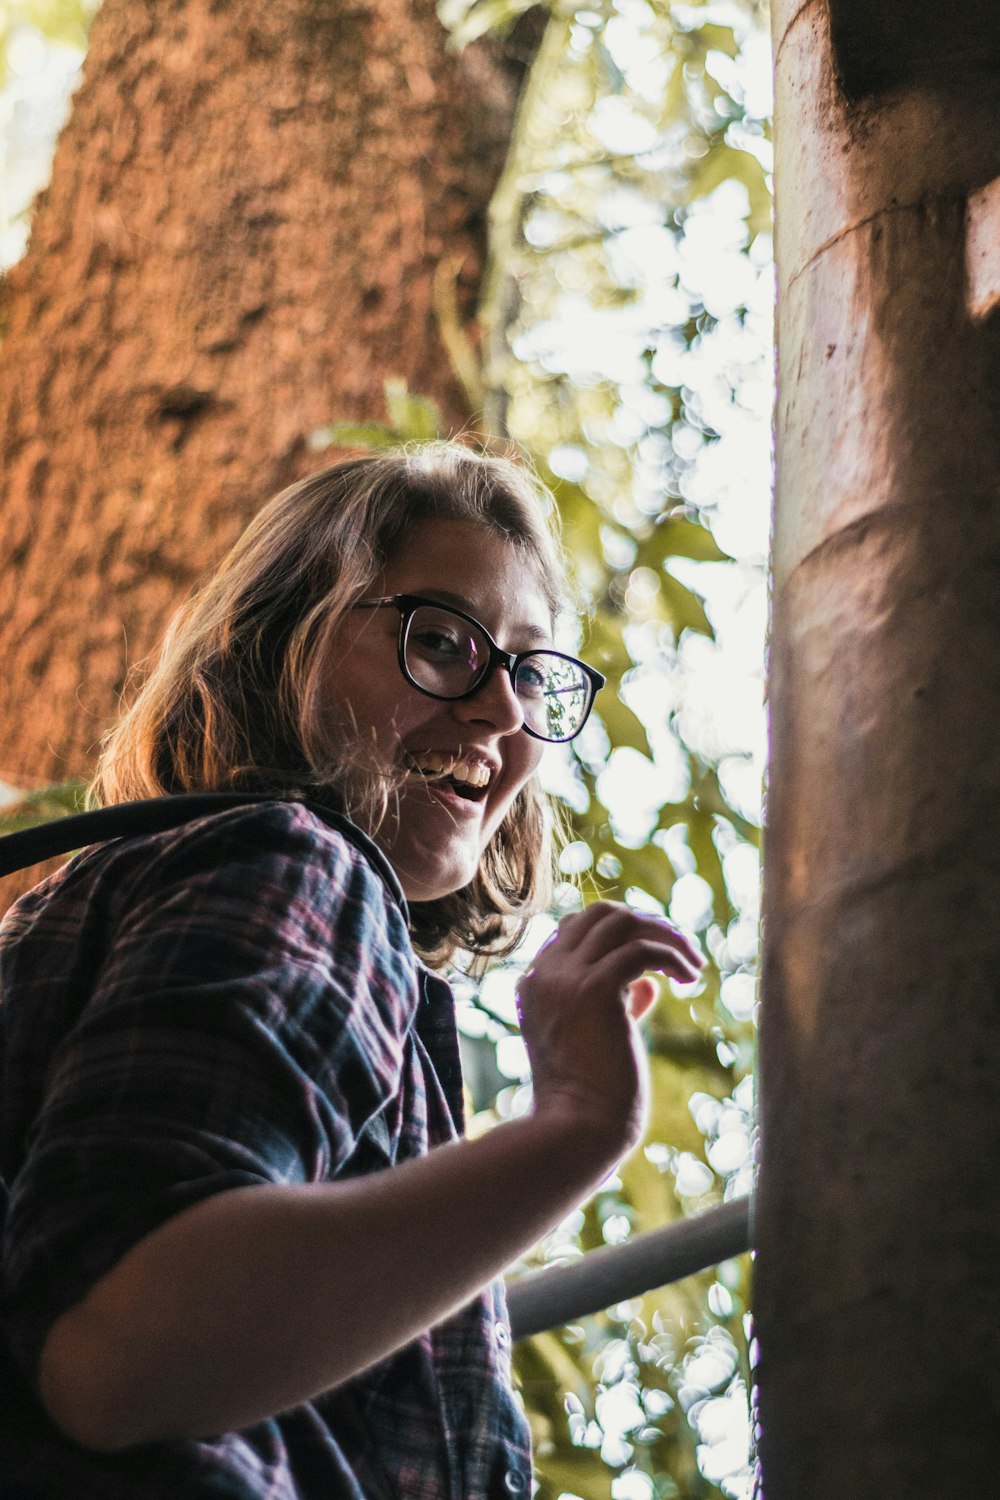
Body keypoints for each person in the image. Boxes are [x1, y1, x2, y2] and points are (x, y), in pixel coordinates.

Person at [0, 442, 703, 1499]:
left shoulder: (172, 888)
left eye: (527, 671)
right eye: (440, 641)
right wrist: (577, 1126)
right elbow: (118, 1357)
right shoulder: (298, 861)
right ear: (276, 641)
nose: (503, 714)